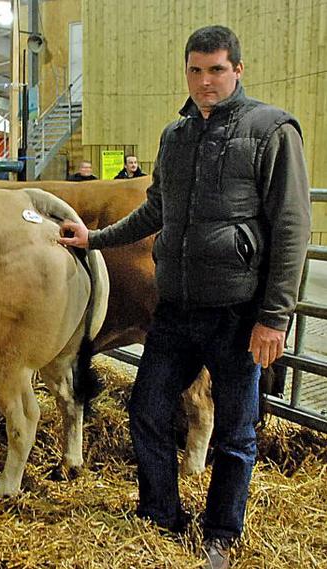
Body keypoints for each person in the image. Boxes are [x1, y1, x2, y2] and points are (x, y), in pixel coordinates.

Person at [58, 25, 310, 569]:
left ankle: (220, 532)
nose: (204, 81)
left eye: (216, 69)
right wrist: (94, 239)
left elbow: (291, 227)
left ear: (237, 70)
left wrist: (274, 317)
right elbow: (156, 211)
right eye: (195, 70)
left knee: (237, 430)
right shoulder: (177, 136)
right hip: (173, 308)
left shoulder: (272, 130)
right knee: (146, 410)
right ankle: (161, 514)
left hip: (237, 311)